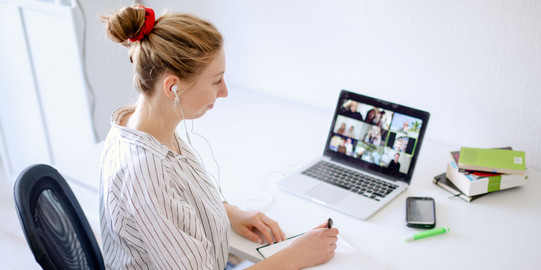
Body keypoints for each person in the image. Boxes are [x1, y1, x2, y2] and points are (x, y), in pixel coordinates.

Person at [99, 5, 338, 270]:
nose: (224, 92)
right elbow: (159, 196)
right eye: (216, 81)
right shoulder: (145, 172)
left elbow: (176, 203)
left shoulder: (143, 126)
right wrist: (294, 257)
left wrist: (229, 212)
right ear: (172, 87)